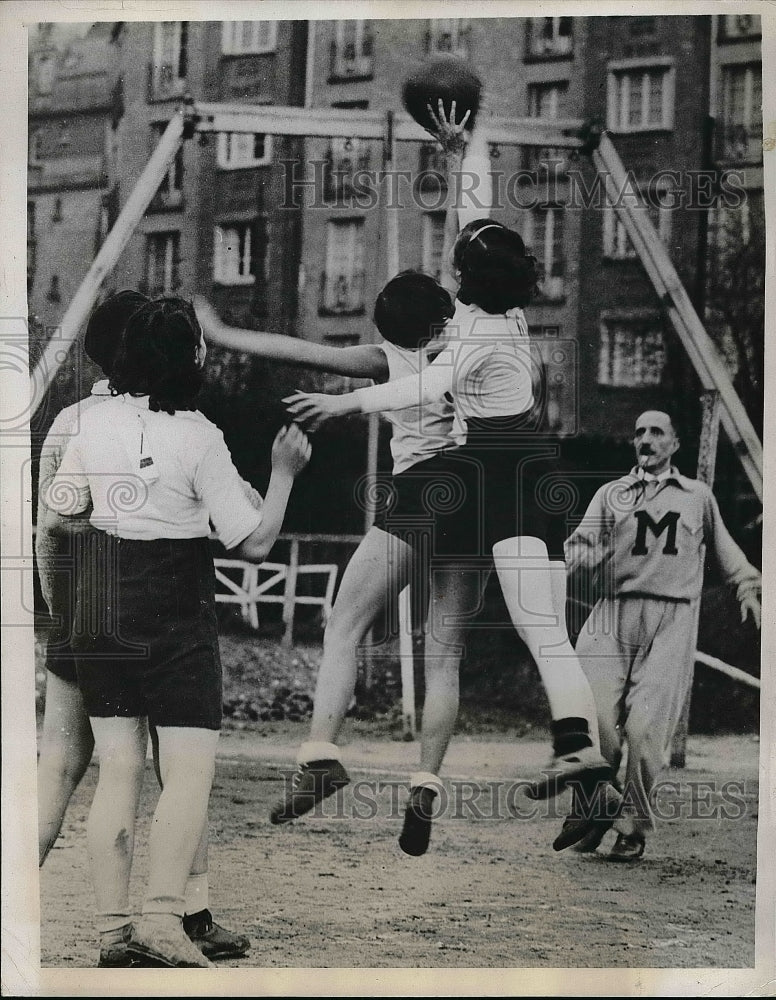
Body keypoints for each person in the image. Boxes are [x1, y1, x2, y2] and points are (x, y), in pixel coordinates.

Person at [285, 101, 620, 857]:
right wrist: (464, 152)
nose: (450, 262)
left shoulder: (466, 336)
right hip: (539, 466)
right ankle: (582, 754)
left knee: (494, 626)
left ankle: (576, 755)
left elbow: (415, 392)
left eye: (456, 261)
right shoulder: (507, 316)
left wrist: (345, 405)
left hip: (491, 470)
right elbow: (480, 212)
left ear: (464, 278)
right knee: (543, 630)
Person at [44, 296, 311, 967]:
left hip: (101, 608)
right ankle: (165, 919)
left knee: (118, 771)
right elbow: (251, 542)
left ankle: (113, 934)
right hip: (175, 608)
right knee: (186, 775)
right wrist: (282, 478)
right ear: (193, 359)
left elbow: (60, 519)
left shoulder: (91, 428)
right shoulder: (199, 436)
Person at [193, 269, 462, 827]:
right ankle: (426, 785)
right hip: (474, 500)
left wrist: (221, 334)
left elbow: (302, 350)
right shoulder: (479, 352)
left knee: (343, 626)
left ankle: (320, 755)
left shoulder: (395, 358)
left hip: (419, 494)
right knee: (445, 653)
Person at [560, 410, 761, 861]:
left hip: (670, 621)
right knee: (589, 719)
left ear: (674, 445)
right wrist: (581, 559)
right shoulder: (611, 494)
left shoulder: (696, 497)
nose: (645, 440)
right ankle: (594, 807)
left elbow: (727, 550)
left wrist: (747, 586)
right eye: (638, 433)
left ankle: (632, 828)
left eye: (656, 432)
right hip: (612, 616)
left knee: (646, 729)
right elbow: (579, 548)